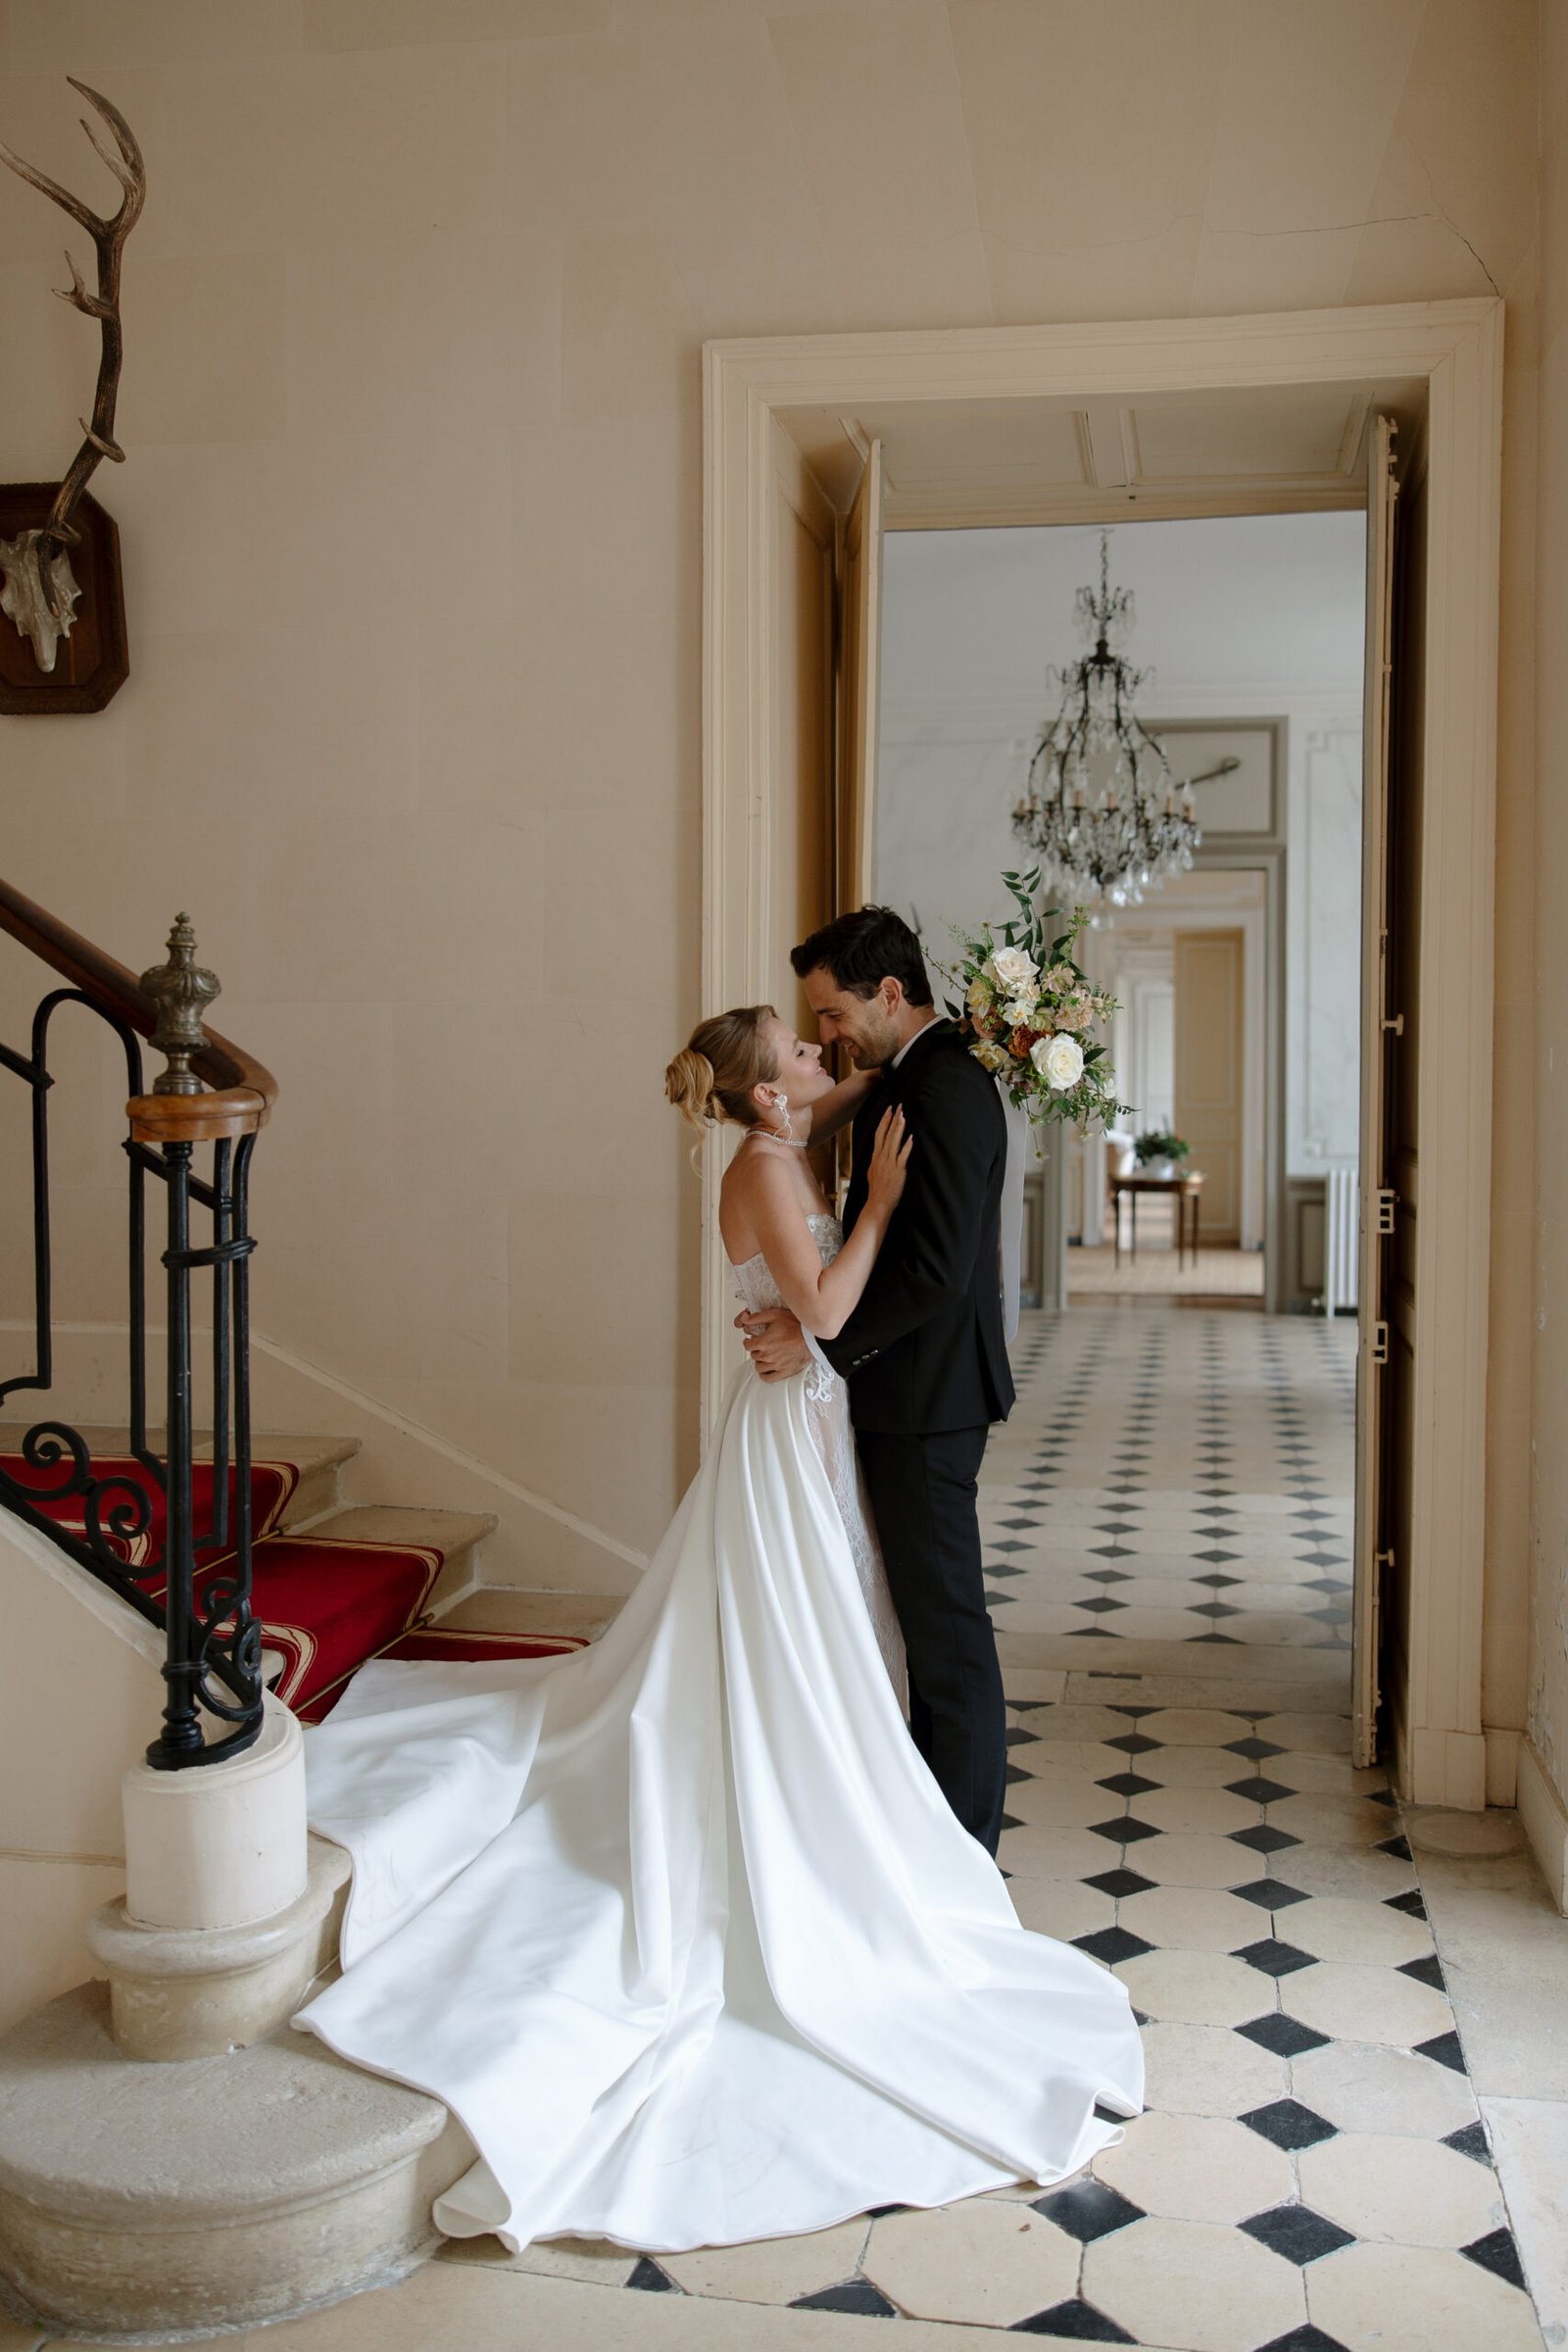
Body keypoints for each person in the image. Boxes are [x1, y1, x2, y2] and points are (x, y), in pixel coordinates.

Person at [293, 1000, 1142, 2259]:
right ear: (762, 1096)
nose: (823, 1058)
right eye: (801, 1052)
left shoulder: (772, 1140)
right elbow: (835, 1313)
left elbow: (829, 1140)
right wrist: (882, 1208)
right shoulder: (761, 1165)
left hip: (799, 1428)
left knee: (815, 1634)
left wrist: (929, 1058)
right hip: (786, 1437)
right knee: (790, 1644)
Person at [738, 906, 1014, 1855]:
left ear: (888, 994)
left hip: (927, 1405)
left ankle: (968, 1855)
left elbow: (933, 1272)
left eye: (828, 1014)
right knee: (924, 1641)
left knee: (948, 1639)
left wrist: (818, 1347)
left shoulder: (943, 1089)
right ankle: (936, 1843)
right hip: (907, 1399)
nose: (824, 1034)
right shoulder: (913, 1074)